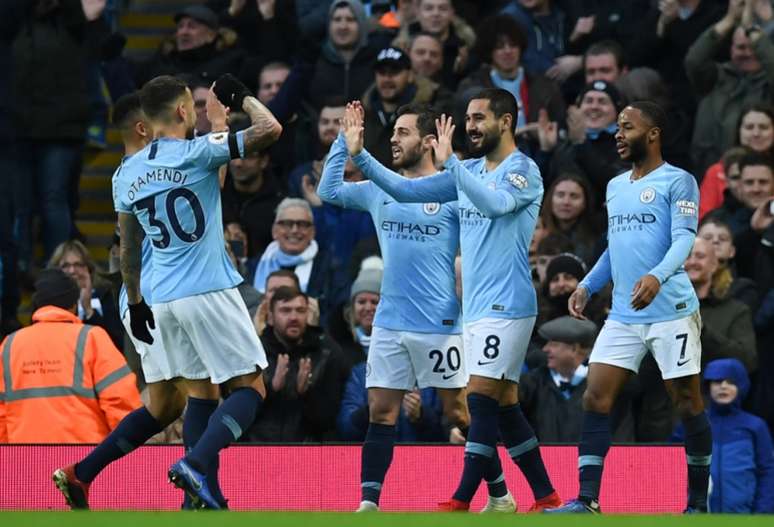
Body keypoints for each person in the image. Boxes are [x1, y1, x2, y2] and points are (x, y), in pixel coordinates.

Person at [348, 89, 561, 512]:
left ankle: (463, 497)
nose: (470, 126)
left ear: (506, 121)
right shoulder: (470, 169)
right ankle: (546, 496)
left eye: (479, 118)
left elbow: (497, 205)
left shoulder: (523, 170)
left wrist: (454, 168)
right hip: (476, 308)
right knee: (503, 408)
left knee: (478, 398)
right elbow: (405, 191)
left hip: (510, 303)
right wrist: (361, 156)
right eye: (467, 118)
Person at [321, 101, 519, 512]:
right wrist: (344, 140)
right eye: (392, 132)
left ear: (429, 141)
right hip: (390, 321)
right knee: (380, 411)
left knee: (460, 413)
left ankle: (499, 492)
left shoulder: (452, 194)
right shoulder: (379, 190)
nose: (393, 139)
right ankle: (369, 503)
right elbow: (328, 192)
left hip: (440, 322)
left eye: (403, 132)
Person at [51, 90, 230, 509]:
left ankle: (82, 474)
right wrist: (219, 125)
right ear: (142, 127)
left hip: (141, 301)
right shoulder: (159, 165)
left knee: (166, 405)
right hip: (167, 295)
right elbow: (215, 184)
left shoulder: (125, 175)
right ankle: (202, 499)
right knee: (205, 394)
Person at [109, 74, 280, 509]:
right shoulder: (197, 152)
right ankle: (197, 464)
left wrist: (135, 301)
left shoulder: (125, 174)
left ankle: (199, 500)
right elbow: (270, 130)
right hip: (208, 288)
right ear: (185, 111)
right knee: (250, 390)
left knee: (201, 392)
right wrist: (240, 97)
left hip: (158, 299)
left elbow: (129, 250)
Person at [549, 101, 710, 514]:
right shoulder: (616, 186)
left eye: (627, 127)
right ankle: (587, 499)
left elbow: (683, 240)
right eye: (618, 127)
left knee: (688, 403)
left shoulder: (679, 181)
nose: (618, 134)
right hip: (623, 314)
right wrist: (587, 284)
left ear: (652, 134)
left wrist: (657, 276)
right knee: (595, 397)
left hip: (671, 308)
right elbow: (613, 246)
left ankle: (696, 504)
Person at [0, 268, 141, 443]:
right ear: (74, 305)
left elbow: (2, 417)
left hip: (23, 461)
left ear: (38, 304)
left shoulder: (9, 345)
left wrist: (7, 459)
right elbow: (122, 403)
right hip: (83, 461)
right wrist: (122, 451)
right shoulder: (91, 338)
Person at [685, 0, 774, 176]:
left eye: (753, 47)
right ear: (731, 49)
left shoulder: (769, 81)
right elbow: (694, 61)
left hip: (760, 172)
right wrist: (729, 19)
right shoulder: (716, 77)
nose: (747, 53)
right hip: (710, 169)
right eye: (741, 47)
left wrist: (752, 31)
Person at [674, 358, 774, 513]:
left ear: (741, 386)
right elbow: (671, 468)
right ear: (707, 387)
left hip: (745, 517)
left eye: (730, 382)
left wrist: (761, 513)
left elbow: (768, 472)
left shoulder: (755, 426)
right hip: (698, 517)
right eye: (717, 381)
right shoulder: (692, 425)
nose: (723, 386)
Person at [246, 287, 347, 442]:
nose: (294, 317)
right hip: (256, 452)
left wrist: (306, 394)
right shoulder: (254, 353)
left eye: (300, 310)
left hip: (309, 453)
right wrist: (271, 389)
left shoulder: (326, 353)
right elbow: (239, 416)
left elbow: (329, 420)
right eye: (285, 311)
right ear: (270, 317)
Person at [520, 316, 633, 443]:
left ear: (574, 349)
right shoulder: (532, 384)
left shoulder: (607, 384)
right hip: (544, 460)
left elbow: (622, 431)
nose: (545, 349)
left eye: (554, 344)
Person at [362, 46, 453, 168]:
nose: (387, 79)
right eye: (382, 72)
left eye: (394, 72)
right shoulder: (362, 113)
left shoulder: (430, 111)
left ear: (410, 75)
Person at [685, 238, 757, 371]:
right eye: (687, 256)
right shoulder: (662, 307)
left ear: (714, 265)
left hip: (709, 389)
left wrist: (703, 330)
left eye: (700, 256)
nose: (692, 262)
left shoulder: (736, 311)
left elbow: (748, 360)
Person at [699, 103, 774, 219]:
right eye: (749, 127)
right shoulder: (718, 171)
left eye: (763, 127)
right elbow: (703, 217)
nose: (756, 133)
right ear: (739, 131)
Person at [48, 240, 124, 349]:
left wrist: (88, 309)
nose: (72, 270)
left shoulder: (106, 295)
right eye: (65, 265)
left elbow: (114, 344)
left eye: (78, 264)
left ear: (88, 268)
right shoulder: (47, 299)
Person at [539, 173, 602, 266]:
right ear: (550, 199)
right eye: (560, 195)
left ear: (585, 203)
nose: (566, 202)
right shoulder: (535, 231)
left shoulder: (597, 239)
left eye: (574, 196)